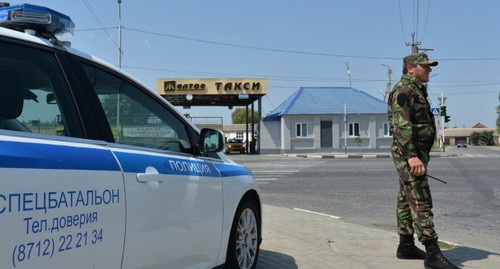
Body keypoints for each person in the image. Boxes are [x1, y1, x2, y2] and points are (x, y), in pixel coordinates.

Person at [388, 53, 460, 269]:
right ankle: (432, 253)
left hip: (416, 154)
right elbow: (402, 125)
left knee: (405, 197)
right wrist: (411, 156)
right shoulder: (404, 90)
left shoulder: (417, 89)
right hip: (409, 154)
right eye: (425, 67)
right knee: (421, 199)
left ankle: (406, 245)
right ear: (411, 68)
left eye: (429, 67)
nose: (429, 70)